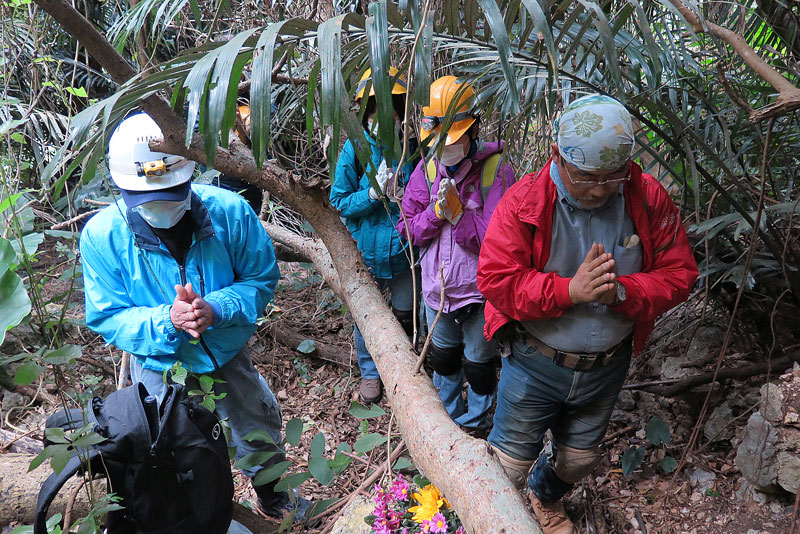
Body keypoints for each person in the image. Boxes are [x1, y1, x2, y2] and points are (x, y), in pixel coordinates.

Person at [477, 94, 698, 533]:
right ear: (557, 156)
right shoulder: (525, 202)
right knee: (507, 464)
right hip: (535, 362)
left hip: (606, 365)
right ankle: (492, 519)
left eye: (612, 177)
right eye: (586, 177)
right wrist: (568, 291)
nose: (599, 188)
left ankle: (544, 496)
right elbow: (496, 280)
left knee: (579, 459)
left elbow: (680, 273)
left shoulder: (646, 197)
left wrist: (625, 293)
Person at [80, 113, 313, 525]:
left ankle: (273, 495)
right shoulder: (103, 238)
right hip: (159, 362)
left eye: (172, 193)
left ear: (190, 175)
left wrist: (217, 307)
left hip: (225, 349)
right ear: (122, 190)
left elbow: (261, 278)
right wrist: (166, 321)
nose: (163, 206)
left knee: (255, 420)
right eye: (148, 201)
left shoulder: (230, 212)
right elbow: (107, 315)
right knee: (170, 442)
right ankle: (192, 509)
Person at [397, 76, 516, 438]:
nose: (446, 148)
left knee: (479, 365)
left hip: (478, 296)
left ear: (473, 130)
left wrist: (462, 217)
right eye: (440, 141)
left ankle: (477, 424)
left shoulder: (495, 171)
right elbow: (406, 228)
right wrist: (437, 212)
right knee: (443, 358)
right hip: (437, 293)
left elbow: (500, 242)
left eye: (454, 139)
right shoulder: (427, 170)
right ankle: (448, 422)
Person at [330, 67, 420, 404]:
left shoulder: (412, 148)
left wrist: (404, 197)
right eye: (375, 110)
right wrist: (370, 195)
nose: (383, 117)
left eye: (391, 109)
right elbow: (338, 200)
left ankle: (404, 368)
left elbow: (421, 199)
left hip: (402, 252)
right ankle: (370, 373)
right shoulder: (354, 150)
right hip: (364, 250)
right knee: (366, 315)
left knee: (404, 314)